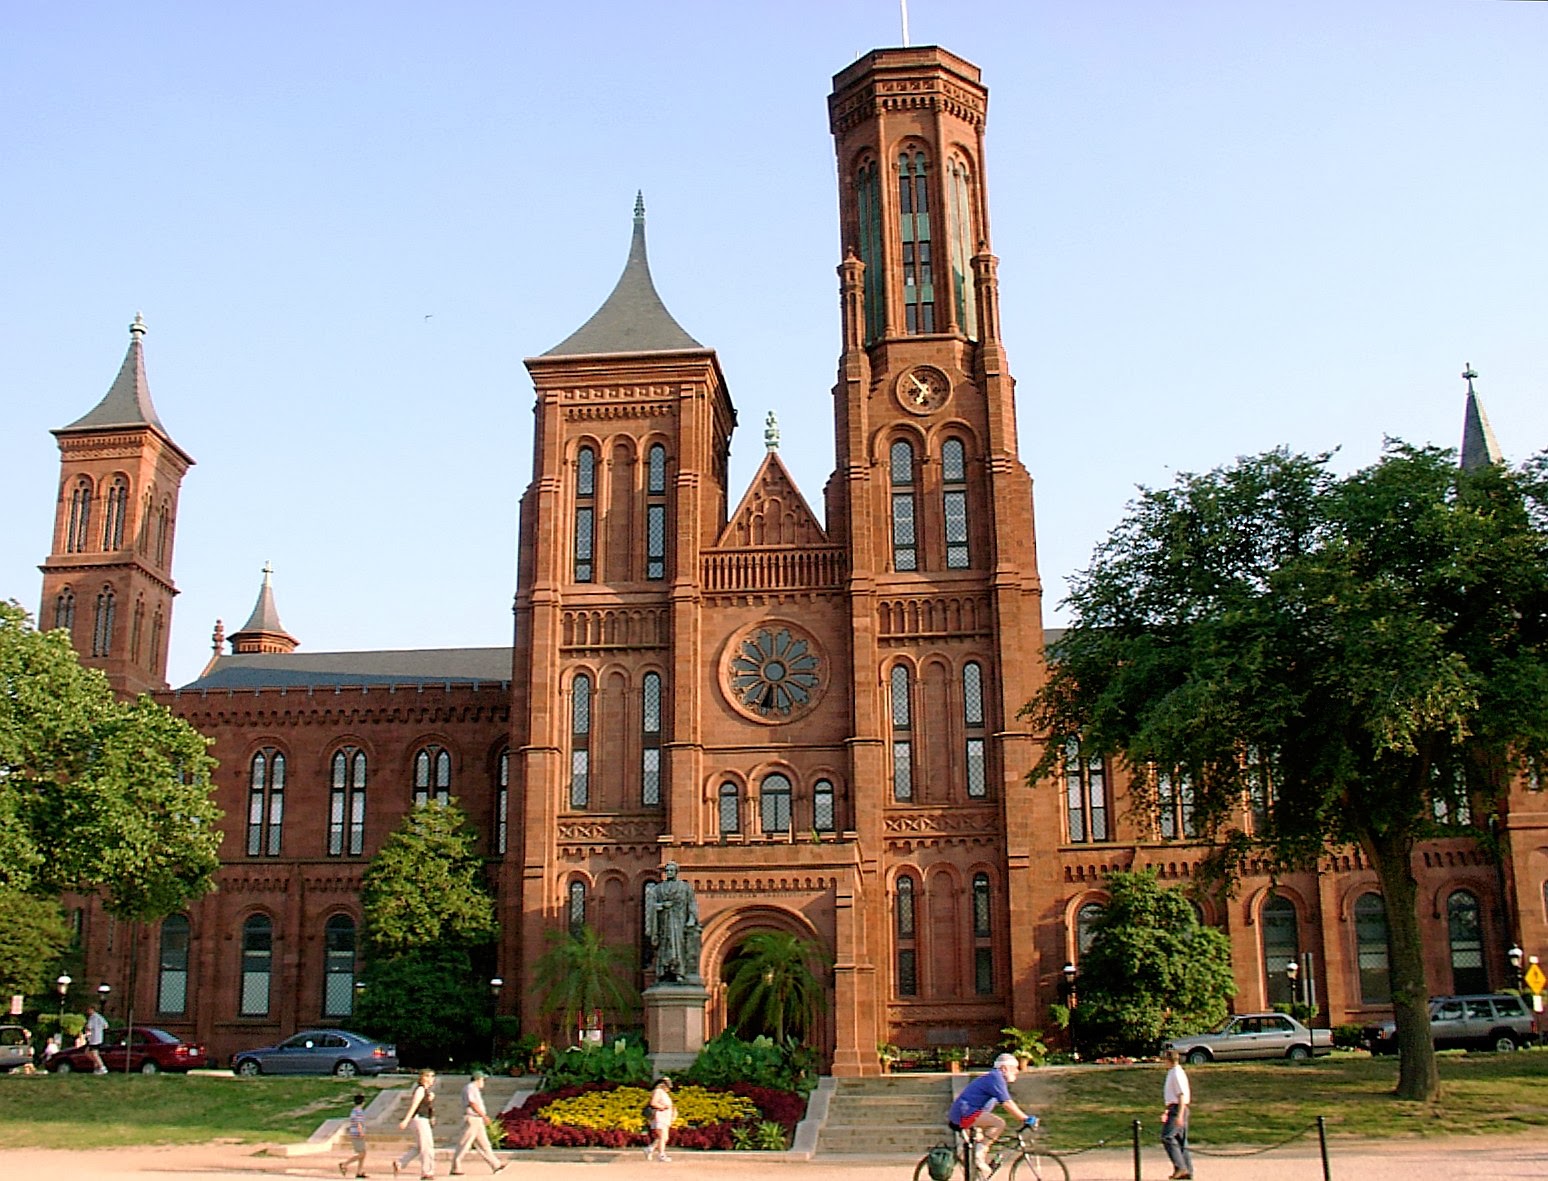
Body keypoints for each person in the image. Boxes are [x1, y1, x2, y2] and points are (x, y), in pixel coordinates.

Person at [947, 1053, 1039, 1176]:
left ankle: (975, 1165)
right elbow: (1007, 1103)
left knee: (980, 1140)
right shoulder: (996, 1078)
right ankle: (979, 1154)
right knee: (999, 1123)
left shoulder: (993, 1078)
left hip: (966, 1112)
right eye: (1014, 1068)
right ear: (1004, 1068)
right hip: (964, 1113)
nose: (1017, 1071)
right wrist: (1025, 1119)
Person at [449, 1070, 505, 1175]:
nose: (483, 1082)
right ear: (478, 1079)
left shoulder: (475, 1089)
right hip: (472, 1118)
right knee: (465, 1143)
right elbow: (472, 1103)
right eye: (483, 1079)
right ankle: (456, 1166)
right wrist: (484, 1116)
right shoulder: (470, 1088)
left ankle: (495, 1164)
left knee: (484, 1144)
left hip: (477, 1119)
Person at [395, 1069, 438, 1179]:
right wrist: (406, 1120)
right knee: (427, 1147)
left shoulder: (426, 1091)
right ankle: (427, 1172)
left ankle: (400, 1163)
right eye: (430, 1076)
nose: (432, 1079)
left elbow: (426, 1107)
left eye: (433, 1076)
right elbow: (414, 1106)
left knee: (420, 1146)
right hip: (420, 1120)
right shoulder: (420, 1090)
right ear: (424, 1078)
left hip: (423, 1119)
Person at [1161, 1048, 1194, 1180]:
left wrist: (1179, 1114)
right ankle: (1187, 1171)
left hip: (1178, 1108)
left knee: (1167, 1137)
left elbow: (1181, 1095)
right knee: (1180, 1141)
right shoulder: (1172, 1072)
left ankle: (1181, 1167)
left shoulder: (1177, 1073)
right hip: (1173, 1107)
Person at [644, 1076, 675, 1163]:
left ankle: (650, 1149)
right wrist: (663, 1107)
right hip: (660, 1116)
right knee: (662, 1136)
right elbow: (653, 1103)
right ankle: (661, 1155)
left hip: (665, 1117)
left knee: (664, 1137)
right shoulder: (658, 1091)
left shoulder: (665, 1094)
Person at [340, 1093, 370, 1178]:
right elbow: (358, 1123)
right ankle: (345, 1164)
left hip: (354, 1133)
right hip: (357, 1134)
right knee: (361, 1154)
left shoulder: (353, 1111)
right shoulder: (359, 1111)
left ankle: (359, 1172)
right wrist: (361, 1132)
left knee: (363, 1153)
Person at [82, 1005, 108, 1074]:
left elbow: (89, 1027)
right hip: (99, 1038)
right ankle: (97, 1067)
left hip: (94, 1039)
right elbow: (106, 1026)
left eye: (88, 1009)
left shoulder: (92, 1018)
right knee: (89, 1052)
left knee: (94, 1054)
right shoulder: (100, 1017)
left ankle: (102, 1067)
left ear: (92, 1009)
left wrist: (85, 1027)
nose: (87, 1011)